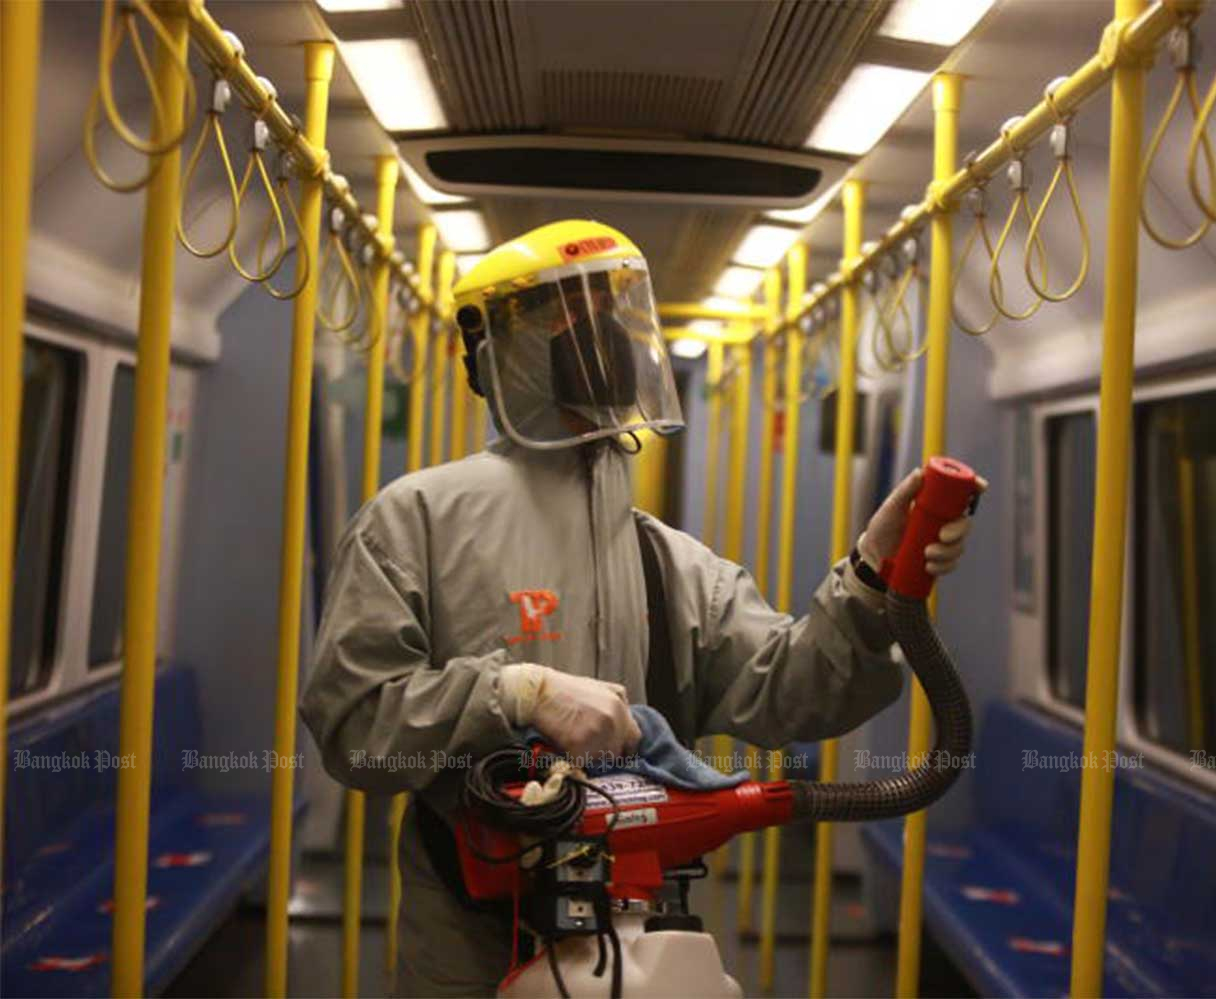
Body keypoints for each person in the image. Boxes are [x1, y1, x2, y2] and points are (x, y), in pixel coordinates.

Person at [299, 220, 982, 996]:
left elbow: (797, 691)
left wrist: (868, 575)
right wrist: (514, 692)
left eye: (612, 308)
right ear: (497, 349)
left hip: (640, 930)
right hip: (469, 941)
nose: (597, 332)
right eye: (562, 312)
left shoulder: (667, 561)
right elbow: (354, 725)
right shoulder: (416, 520)